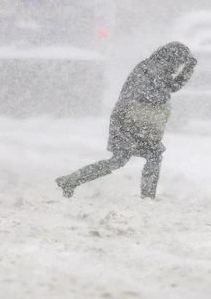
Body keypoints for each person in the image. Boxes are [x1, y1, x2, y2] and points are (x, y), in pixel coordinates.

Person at [56, 42, 197, 199]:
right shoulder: (150, 69)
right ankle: (71, 180)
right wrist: (185, 72)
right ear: (172, 59)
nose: (178, 67)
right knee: (125, 159)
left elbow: (171, 87)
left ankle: (147, 197)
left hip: (138, 124)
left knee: (147, 156)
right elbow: (162, 92)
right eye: (179, 63)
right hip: (127, 123)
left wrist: (188, 70)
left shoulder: (155, 69)